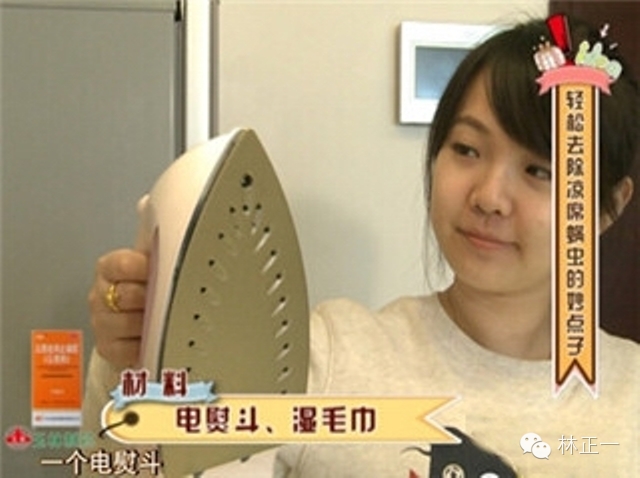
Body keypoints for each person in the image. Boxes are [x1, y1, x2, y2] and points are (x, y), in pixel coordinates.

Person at [83, 15, 639, 477]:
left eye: (540, 170)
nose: (489, 196)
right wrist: (130, 362)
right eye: (467, 149)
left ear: (608, 206)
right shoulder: (325, 357)